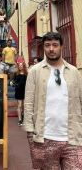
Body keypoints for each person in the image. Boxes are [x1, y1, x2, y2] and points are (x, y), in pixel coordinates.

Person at [24, 32, 82, 169]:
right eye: (47, 45)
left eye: (55, 45)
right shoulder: (35, 71)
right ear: (43, 48)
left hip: (73, 138)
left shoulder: (74, 72)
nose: (51, 49)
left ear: (61, 46)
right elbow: (28, 103)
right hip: (44, 138)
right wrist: (30, 134)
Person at [14, 62, 27, 126]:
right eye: (19, 65)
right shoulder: (16, 74)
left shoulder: (26, 74)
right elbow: (13, 82)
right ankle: (19, 120)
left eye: (21, 65)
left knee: (24, 106)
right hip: (18, 91)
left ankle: (23, 118)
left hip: (25, 91)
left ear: (24, 66)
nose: (20, 66)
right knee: (19, 105)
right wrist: (15, 84)